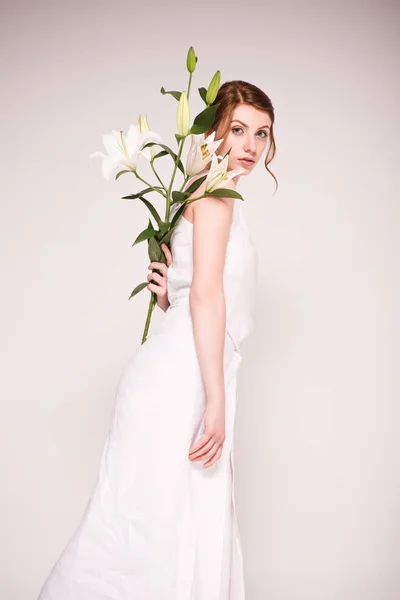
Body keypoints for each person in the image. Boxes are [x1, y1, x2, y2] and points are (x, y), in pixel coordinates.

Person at [37, 80, 277, 600]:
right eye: (238, 130)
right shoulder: (215, 199)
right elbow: (208, 298)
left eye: (261, 134)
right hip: (184, 384)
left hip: (175, 371)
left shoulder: (197, 193)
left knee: (151, 526)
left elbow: (194, 293)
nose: (251, 146)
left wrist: (169, 299)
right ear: (212, 129)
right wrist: (214, 399)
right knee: (154, 530)